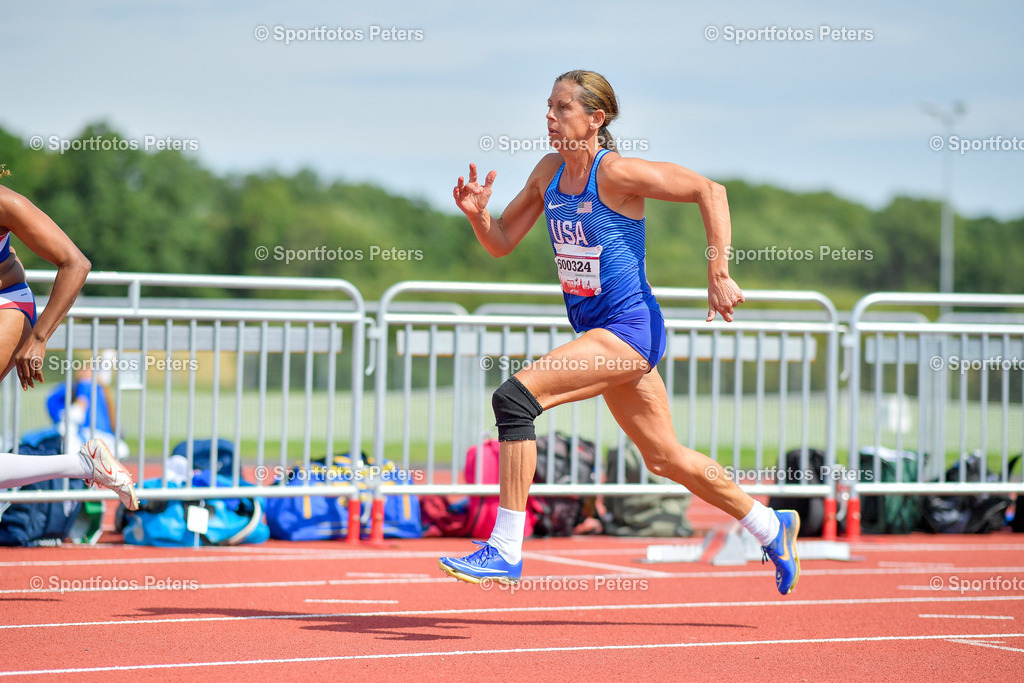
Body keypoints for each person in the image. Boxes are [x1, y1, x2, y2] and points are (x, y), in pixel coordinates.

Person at [439, 70, 799, 595]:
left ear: (594, 119)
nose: (549, 116)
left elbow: (710, 190)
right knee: (665, 457)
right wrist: (477, 216)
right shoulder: (548, 172)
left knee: (516, 400)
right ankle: (771, 525)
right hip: (603, 332)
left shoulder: (616, 173)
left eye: (562, 108)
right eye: (548, 106)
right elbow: (500, 242)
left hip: (630, 330)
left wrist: (718, 273)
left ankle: (507, 548)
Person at [0, 172, 137, 510]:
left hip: (6, 304)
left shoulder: (5, 203)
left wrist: (39, 337)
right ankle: (83, 464)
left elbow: (75, 263)